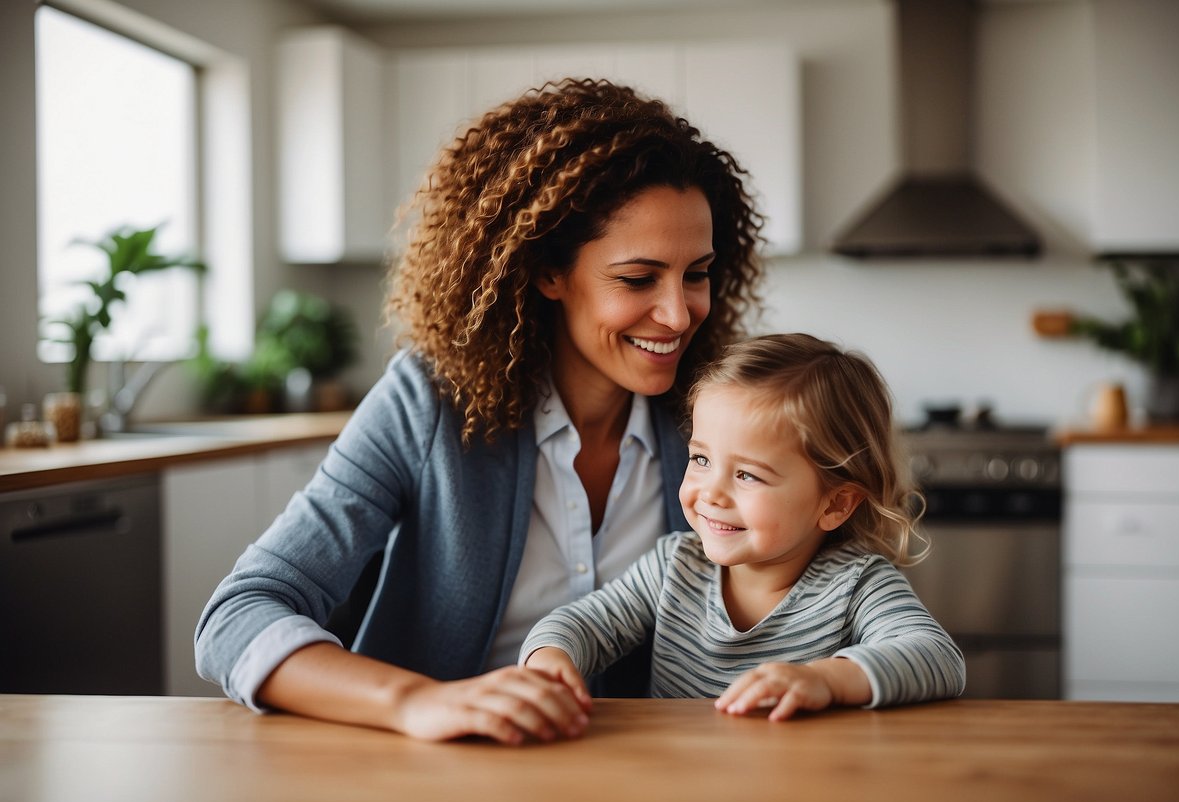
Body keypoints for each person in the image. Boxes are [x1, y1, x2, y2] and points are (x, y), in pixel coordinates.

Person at [194, 78, 765, 745]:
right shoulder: (428, 401)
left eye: (696, 273)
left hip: (652, 773)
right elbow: (237, 615)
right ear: (548, 273)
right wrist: (413, 702)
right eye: (637, 279)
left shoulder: (722, 412)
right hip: (439, 776)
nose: (677, 313)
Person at [522, 333, 966, 720]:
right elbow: (581, 624)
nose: (711, 493)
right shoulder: (674, 566)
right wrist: (549, 660)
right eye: (701, 459)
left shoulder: (856, 584)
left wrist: (827, 680)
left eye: (747, 475)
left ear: (835, 504)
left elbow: (938, 657)